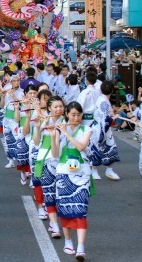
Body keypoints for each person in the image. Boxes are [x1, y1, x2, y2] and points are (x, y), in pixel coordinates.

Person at [51, 101, 93, 261]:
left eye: (78, 114)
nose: (76, 118)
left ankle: (81, 247)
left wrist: (66, 133)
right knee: (65, 209)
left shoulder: (86, 129)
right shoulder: (60, 128)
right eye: (73, 114)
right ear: (67, 115)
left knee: (81, 210)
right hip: (63, 172)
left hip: (81, 174)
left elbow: (81, 146)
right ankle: (68, 241)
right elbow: (55, 154)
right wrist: (55, 135)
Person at [30, 92, 62, 237]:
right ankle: (55, 225)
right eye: (55, 107)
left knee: (59, 194)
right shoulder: (44, 121)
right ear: (49, 108)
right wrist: (37, 126)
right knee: (49, 191)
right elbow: (36, 142)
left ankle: (53, 219)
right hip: (46, 159)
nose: (58, 109)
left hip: (62, 160)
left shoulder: (66, 121)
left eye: (61, 106)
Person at [90, 81, 121, 180]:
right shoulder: (103, 101)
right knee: (100, 148)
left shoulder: (102, 99)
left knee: (109, 148)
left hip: (102, 129)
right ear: (112, 90)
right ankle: (95, 170)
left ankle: (108, 170)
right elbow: (105, 119)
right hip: (101, 129)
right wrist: (113, 118)